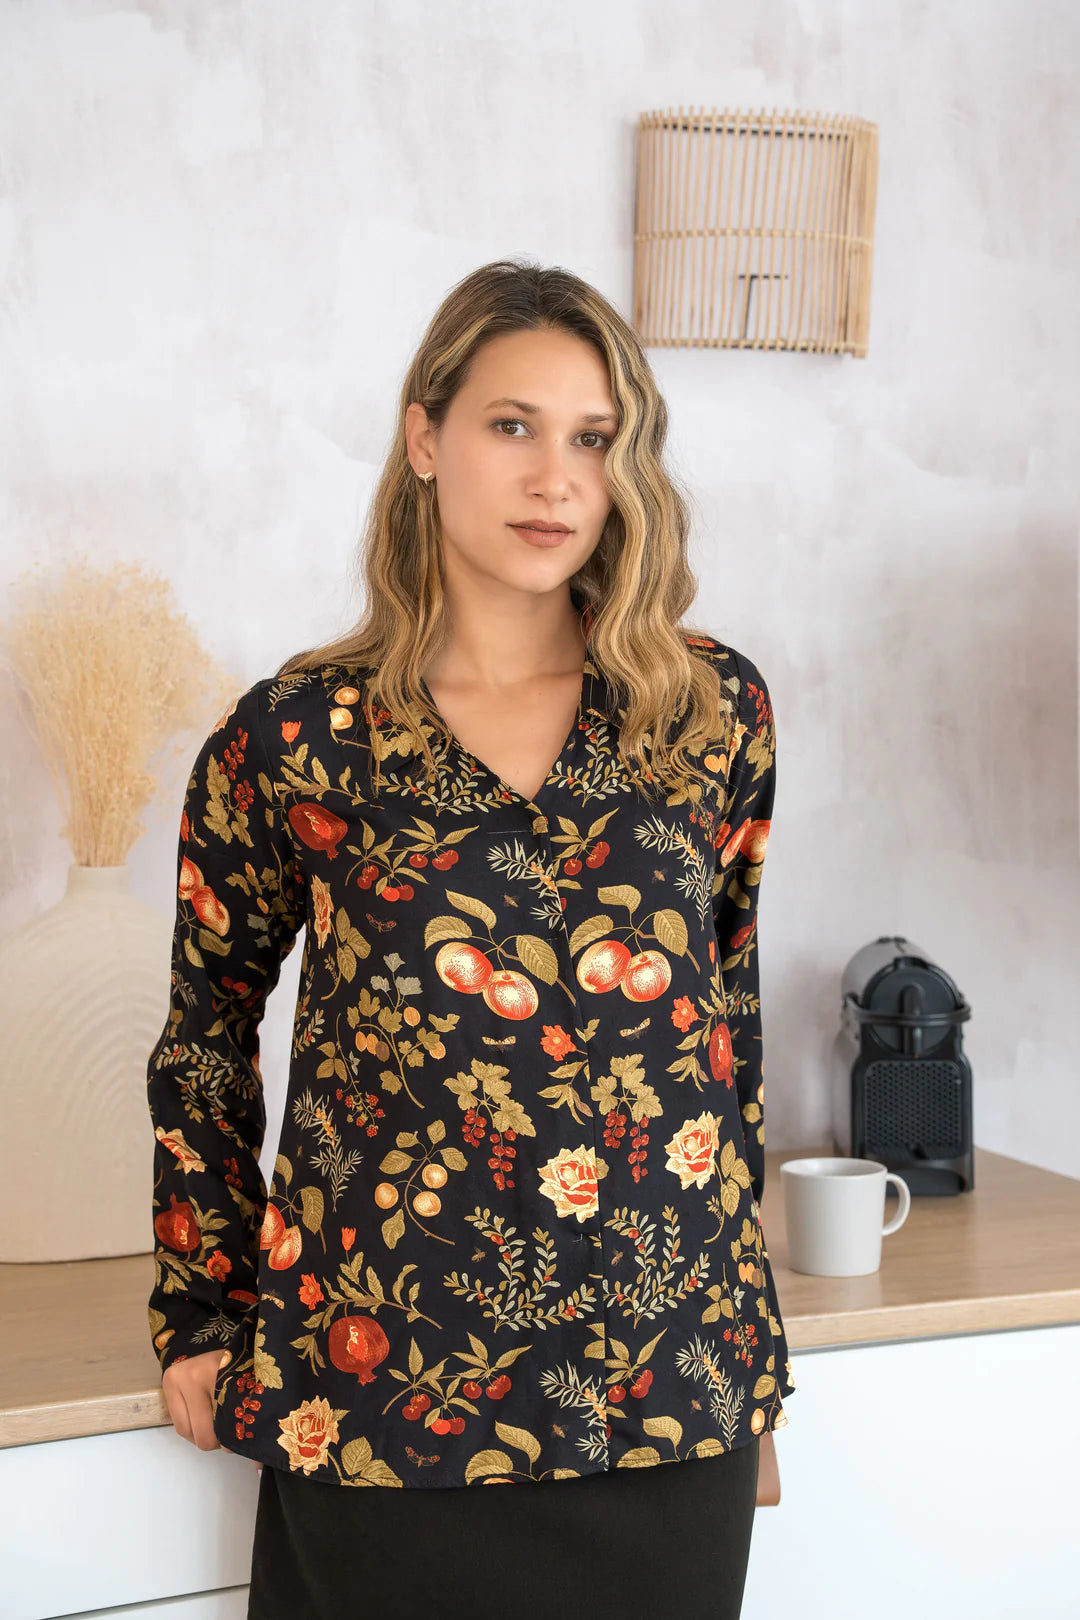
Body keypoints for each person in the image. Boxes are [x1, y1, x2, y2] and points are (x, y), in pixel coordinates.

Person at [147, 258, 794, 1620]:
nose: (557, 478)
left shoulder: (706, 711)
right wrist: (202, 1310)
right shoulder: (297, 737)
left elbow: (721, 1035)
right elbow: (206, 1031)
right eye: (513, 426)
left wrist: (751, 1369)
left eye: (594, 438)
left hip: (667, 1400)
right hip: (379, 1399)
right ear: (425, 437)